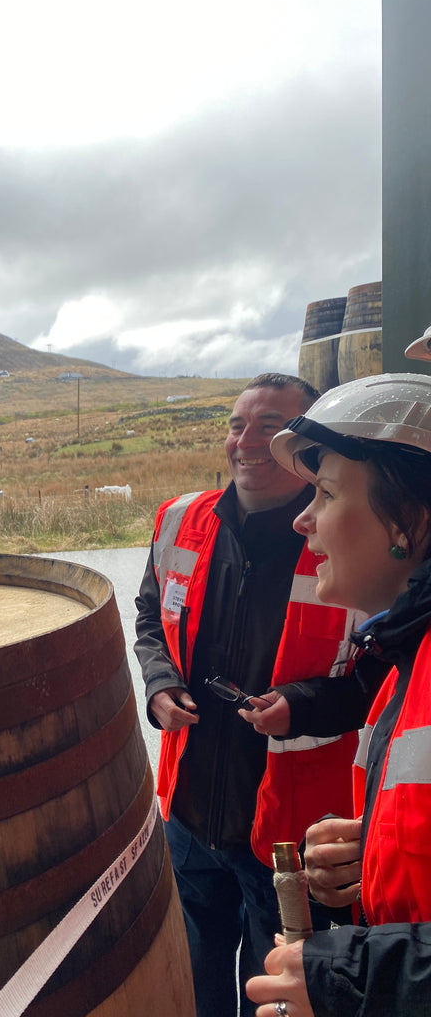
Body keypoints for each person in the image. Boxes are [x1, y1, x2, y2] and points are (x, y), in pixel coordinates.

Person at [134, 373, 372, 1017]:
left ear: (305, 444)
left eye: (270, 427)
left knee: (277, 987)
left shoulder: (346, 541)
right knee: (198, 972)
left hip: (290, 833)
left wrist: (299, 703)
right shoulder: (179, 519)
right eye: (239, 426)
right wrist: (158, 684)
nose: (248, 441)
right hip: (187, 810)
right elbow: (151, 614)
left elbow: (379, 681)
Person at [246, 369, 431, 1016]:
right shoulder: (404, 664)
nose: (304, 520)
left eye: (325, 493)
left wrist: (351, 978)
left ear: (407, 518)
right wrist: (380, 847)